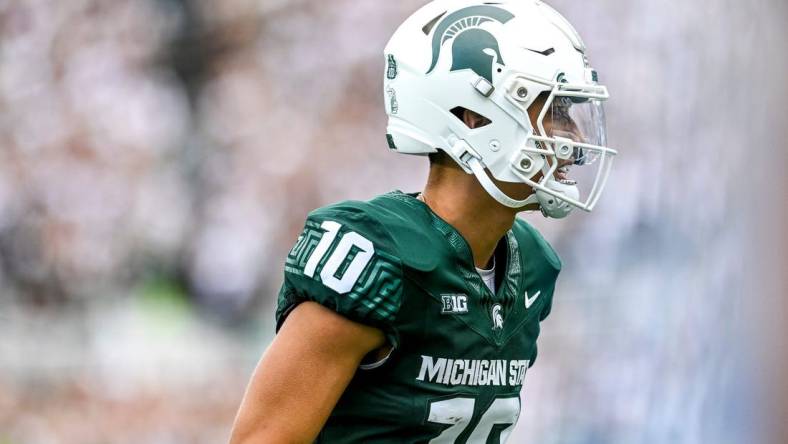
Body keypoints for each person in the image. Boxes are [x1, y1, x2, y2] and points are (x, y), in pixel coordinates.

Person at [230, 0, 617, 442]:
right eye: (554, 110)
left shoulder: (531, 265)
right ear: (473, 117)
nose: (574, 136)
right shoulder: (377, 258)